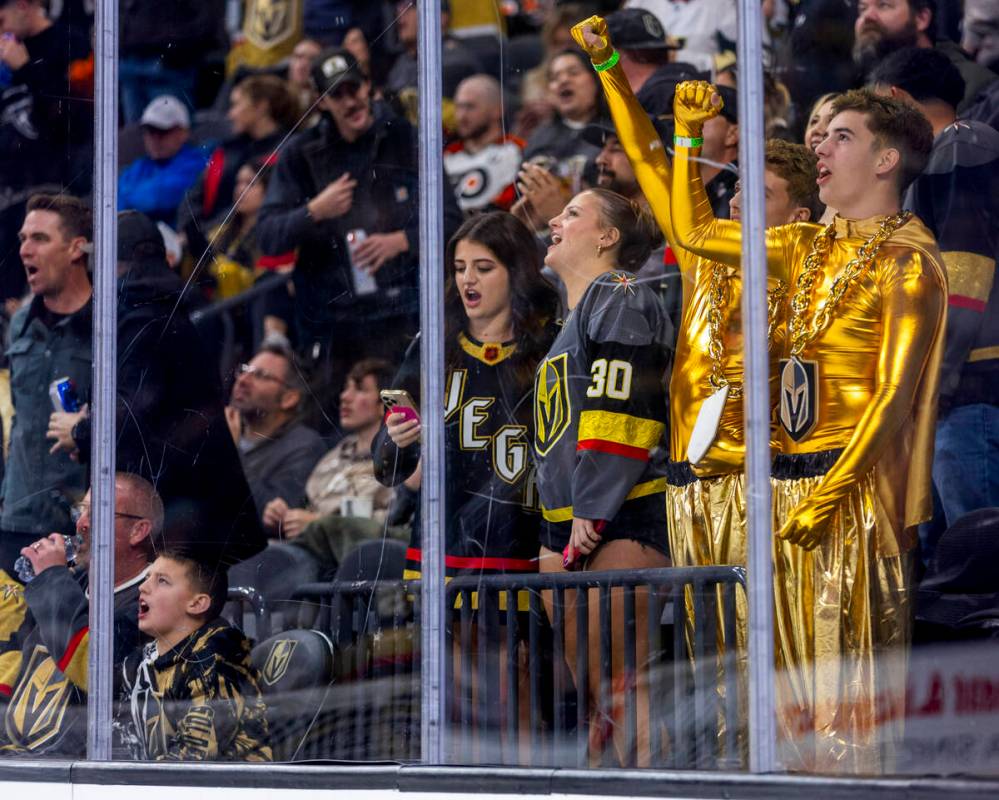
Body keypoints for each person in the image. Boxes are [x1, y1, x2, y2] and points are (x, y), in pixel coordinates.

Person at [670, 81, 945, 774]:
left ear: (885, 162)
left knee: (839, 699)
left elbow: (894, 396)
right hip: (778, 491)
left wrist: (829, 496)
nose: (819, 146)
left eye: (841, 137)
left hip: (846, 498)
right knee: (767, 695)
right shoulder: (800, 245)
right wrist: (683, 138)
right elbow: (695, 232)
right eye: (821, 137)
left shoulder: (907, 260)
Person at [572, 15, 822, 761]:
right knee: (711, 658)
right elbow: (651, 159)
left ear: (800, 214)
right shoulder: (704, 250)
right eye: (740, 188)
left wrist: (689, 142)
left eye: (763, 191)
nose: (741, 199)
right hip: (690, 479)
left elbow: (672, 172)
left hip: (764, 477)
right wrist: (610, 66)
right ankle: (725, 767)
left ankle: (792, 767)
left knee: (773, 649)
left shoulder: (800, 256)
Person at [533, 186, 673, 766]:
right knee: (599, 697)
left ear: (608, 237)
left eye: (571, 213)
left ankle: (651, 780)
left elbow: (622, 408)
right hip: (567, 525)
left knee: (623, 685)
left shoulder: (618, 294)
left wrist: (591, 510)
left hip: (619, 515)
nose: (552, 219)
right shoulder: (571, 316)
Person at [47, 211, 267, 566]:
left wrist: (80, 431)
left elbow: (134, 410)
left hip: (176, 509)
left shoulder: (140, 316)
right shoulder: (176, 306)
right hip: (195, 502)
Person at [256, 46, 462, 423]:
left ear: (369, 86)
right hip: (332, 325)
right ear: (321, 103)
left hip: (399, 316)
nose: (350, 101)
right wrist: (314, 211)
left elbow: (452, 220)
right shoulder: (301, 154)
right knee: (333, 427)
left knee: (404, 422)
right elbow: (267, 236)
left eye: (354, 88)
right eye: (337, 94)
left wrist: (401, 241)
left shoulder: (405, 138)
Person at [376, 211, 558, 588]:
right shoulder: (434, 346)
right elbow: (386, 469)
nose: (467, 280)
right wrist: (397, 440)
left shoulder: (552, 343)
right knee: (453, 646)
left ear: (517, 271)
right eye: (460, 268)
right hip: (445, 537)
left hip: (526, 536)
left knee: (522, 648)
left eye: (483, 267)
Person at [871, 48, 999, 549]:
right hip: (955, 389)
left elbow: (966, 269)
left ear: (898, 98)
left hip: (972, 387)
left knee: (977, 563)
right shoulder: (942, 156)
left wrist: (934, 375)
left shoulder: (961, 145)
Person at [0, 474, 160, 756]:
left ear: (138, 531)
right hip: (17, 760)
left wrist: (50, 578)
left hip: (71, 773)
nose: (81, 523)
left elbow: (95, 669)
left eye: (97, 513)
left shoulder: (150, 602)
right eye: (81, 510)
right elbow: (14, 658)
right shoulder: (70, 585)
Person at [0, 194, 91, 577]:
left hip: (76, 523)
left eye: (39, 238)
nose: (25, 250)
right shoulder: (20, 322)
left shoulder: (107, 325)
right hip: (16, 516)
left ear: (75, 248)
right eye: (22, 238)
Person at [119, 551, 272, 761]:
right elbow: (119, 735)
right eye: (147, 577)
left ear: (197, 603)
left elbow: (195, 757)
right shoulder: (141, 661)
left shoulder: (214, 660)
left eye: (162, 581)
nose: (142, 587)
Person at [0, 0, 90, 304]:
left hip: (54, 189)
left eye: (1, 20)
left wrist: (26, 69)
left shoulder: (69, 43)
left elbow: (70, 119)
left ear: (24, 6)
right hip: (9, 193)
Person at [180, 74, 299, 274]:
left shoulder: (287, 151)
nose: (230, 114)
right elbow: (194, 195)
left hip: (252, 250)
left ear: (261, 107)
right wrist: (188, 228)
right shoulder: (228, 149)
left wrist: (206, 233)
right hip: (214, 238)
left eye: (236, 105)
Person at [263, 357, 395, 538]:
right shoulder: (337, 453)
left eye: (360, 390)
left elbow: (392, 524)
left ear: (384, 404)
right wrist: (283, 515)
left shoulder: (397, 462)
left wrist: (319, 524)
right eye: (346, 388)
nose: (344, 397)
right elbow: (308, 506)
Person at [227, 342, 326, 524]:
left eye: (260, 375)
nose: (242, 380)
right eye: (244, 370)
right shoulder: (231, 432)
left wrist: (232, 453)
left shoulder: (304, 446)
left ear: (289, 398)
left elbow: (272, 518)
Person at [853, 0, 997, 112]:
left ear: (922, 18)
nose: (867, 17)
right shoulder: (869, 92)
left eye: (883, 5)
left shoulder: (974, 85)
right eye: (862, 8)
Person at [118, 95, 210, 227]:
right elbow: (116, 203)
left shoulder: (195, 163)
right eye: (149, 131)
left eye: (162, 131)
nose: (154, 138)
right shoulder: (140, 165)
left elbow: (157, 199)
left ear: (183, 132)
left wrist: (130, 197)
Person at [445, 74, 526, 213]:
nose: (461, 116)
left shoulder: (516, 151)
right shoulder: (446, 156)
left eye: (470, 107)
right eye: (459, 107)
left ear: (497, 110)